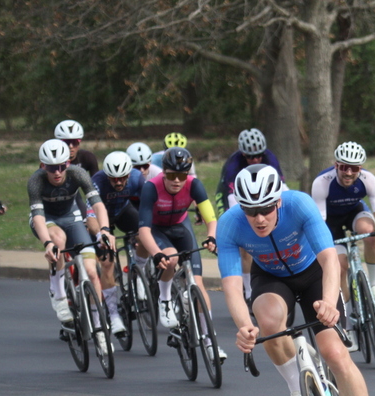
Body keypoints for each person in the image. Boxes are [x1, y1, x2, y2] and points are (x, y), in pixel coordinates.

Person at [216, 165, 375, 396]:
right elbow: (230, 285)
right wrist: (245, 326)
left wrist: (328, 303)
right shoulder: (229, 225)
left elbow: (329, 260)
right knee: (267, 322)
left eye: (266, 208)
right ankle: (297, 391)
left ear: (279, 202)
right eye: (251, 210)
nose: (259, 218)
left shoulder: (299, 204)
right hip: (270, 278)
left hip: (313, 273)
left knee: (335, 353)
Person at [137, 147, 226, 361]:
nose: (177, 180)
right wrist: (157, 254)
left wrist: (212, 237)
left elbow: (210, 218)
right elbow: (143, 230)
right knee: (171, 259)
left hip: (180, 227)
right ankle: (165, 299)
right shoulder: (152, 187)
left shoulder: (194, 185)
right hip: (158, 230)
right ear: (164, 172)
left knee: (198, 285)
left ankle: (209, 340)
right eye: (172, 175)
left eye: (182, 175)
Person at [28, 139, 116, 353]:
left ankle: (98, 327)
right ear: (43, 166)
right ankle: (58, 295)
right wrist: (47, 243)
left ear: (68, 163)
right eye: (51, 167)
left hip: (71, 217)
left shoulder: (78, 173)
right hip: (46, 220)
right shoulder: (36, 182)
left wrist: (104, 230)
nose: (57, 172)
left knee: (91, 272)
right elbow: (38, 217)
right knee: (57, 240)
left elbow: (97, 204)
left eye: (61, 166)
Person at [311, 141, 375, 335]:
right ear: (336, 165)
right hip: (328, 221)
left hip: (353, 213)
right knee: (339, 266)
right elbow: (319, 223)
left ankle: (374, 285)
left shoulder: (368, 180)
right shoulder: (322, 182)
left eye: (354, 168)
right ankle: (346, 310)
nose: (348, 173)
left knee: (370, 233)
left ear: (361, 168)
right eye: (343, 167)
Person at [215, 128, 285, 305]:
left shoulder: (270, 158)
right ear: (242, 154)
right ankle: (249, 290)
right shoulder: (233, 163)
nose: (255, 159)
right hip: (236, 196)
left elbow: (281, 188)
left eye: (258, 156)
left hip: (261, 195)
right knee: (244, 244)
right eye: (250, 157)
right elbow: (229, 199)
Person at [90, 151, 150, 335]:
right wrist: (102, 235)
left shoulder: (137, 179)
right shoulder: (97, 182)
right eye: (113, 179)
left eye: (122, 178)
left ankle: (138, 274)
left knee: (145, 237)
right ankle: (114, 315)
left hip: (123, 211)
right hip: (101, 218)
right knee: (107, 262)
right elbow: (91, 216)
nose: (117, 182)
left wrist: (146, 228)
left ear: (129, 175)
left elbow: (148, 204)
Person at [55, 120, 100, 235]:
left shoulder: (87, 157)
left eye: (74, 142)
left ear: (79, 142)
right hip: (57, 197)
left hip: (77, 195)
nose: (70, 146)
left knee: (92, 226)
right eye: (66, 142)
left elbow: (96, 186)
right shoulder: (52, 160)